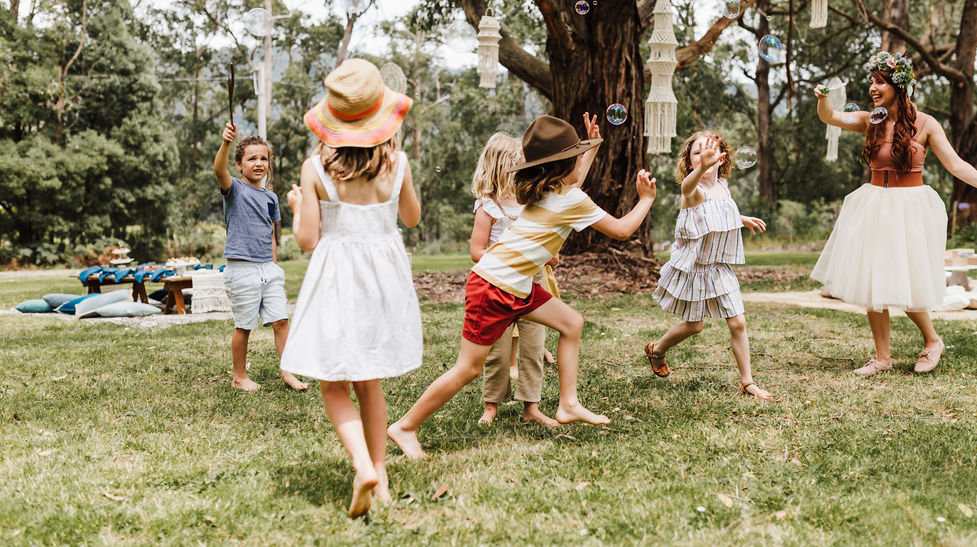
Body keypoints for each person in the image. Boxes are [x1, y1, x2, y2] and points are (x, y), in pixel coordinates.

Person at [388, 114, 656, 459]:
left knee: (571, 323)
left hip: (516, 285)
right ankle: (405, 426)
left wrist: (591, 148)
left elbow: (572, 183)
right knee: (467, 368)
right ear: (565, 165)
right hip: (493, 286)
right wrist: (645, 199)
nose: (580, 163)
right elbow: (621, 230)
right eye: (577, 157)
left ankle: (568, 404)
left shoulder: (548, 190)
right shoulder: (569, 199)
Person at [280, 58, 421, 518]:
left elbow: (307, 240)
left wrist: (301, 204)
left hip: (337, 276)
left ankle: (363, 465)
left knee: (333, 382)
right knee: (369, 380)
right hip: (383, 278)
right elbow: (412, 219)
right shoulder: (397, 163)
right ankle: (379, 474)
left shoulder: (315, 168)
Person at [811, 50, 977, 376]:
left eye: (880, 82)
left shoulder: (926, 124)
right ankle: (882, 357)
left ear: (898, 86)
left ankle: (932, 341)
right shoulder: (869, 120)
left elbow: (956, 165)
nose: (873, 88)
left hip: (909, 206)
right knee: (875, 280)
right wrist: (822, 100)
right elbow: (831, 117)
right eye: (871, 82)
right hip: (875, 203)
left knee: (906, 277)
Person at [470, 128, 593, 427]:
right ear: (501, 167)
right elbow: (476, 250)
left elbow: (572, 190)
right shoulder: (489, 207)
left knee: (534, 347)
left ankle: (531, 407)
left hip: (533, 280)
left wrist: (590, 150)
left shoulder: (533, 201)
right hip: (498, 280)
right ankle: (491, 405)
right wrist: (508, 261)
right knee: (497, 351)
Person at [645, 131, 772, 400]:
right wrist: (703, 167)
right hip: (695, 269)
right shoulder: (694, 191)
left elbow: (720, 212)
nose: (704, 155)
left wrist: (742, 218)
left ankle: (747, 382)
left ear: (721, 156)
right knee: (694, 326)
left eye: (710, 150)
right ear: (691, 163)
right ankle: (657, 350)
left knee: (738, 322)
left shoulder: (723, 186)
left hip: (719, 267)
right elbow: (686, 189)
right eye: (697, 153)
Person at [214, 125, 306, 393]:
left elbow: (271, 234)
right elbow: (219, 170)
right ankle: (239, 376)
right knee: (245, 325)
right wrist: (225, 144)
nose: (258, 163)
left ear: (269, 163)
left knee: (281, 321)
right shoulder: (235, 189)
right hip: (242, 269)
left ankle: (287, 372)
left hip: (268, 268)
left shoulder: (271, 198)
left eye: (263, 158)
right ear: (240, 165)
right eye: (251, 158)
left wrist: (274, 265)